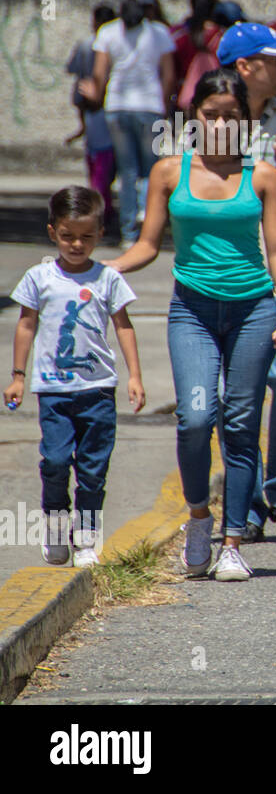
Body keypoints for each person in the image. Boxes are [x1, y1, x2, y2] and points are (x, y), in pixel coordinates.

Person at [105, 69, 276, 582]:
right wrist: (106, 270)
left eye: (229, 115)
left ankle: (233, 541)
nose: (218, 123)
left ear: (245, 119)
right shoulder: (170, 171)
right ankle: (199, 517)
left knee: (239, 423)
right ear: (194, 117)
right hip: (191, 310)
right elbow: (149, 244)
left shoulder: (261, 175)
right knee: (195, 419)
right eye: (209, 113)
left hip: (254, 310)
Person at [5, 187, 145, 567]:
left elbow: (124, 327)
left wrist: (134, 376)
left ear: (100, 234)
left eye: (86, 236)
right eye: (68, 236)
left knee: (93, 469)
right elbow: (26, 326)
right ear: (53, 233)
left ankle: (86, 538)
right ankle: (54, 523)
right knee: (54, 460)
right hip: (53, 391)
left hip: (98, 390)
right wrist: (18, 376)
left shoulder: (108, 279)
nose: (77, 244)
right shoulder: (39, 278)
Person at [216, 22, 276, 543]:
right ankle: (246, 502)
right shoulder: (213, 121)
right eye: (275, 60)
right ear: (244, 68)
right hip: (229, 274)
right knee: (236, 396)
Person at [84, 0, 176, 245]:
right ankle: (150, 225)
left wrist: (96, 97)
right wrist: (167, 106)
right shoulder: (160, 33)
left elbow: (100, 74)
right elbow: (169, 76)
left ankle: (129, 232)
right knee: (152, 168)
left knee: (127, 171)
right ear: (148, 7)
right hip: (151, 108)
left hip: (117, 108)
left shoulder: (107, 32)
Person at [67, 5, 119, 234]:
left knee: (98, 167)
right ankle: (106, 211)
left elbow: (76, 75)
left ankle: (101, 213)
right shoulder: (119, 42)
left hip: (96, 112)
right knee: (112, 166)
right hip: (116, 111)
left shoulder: (88, 45)